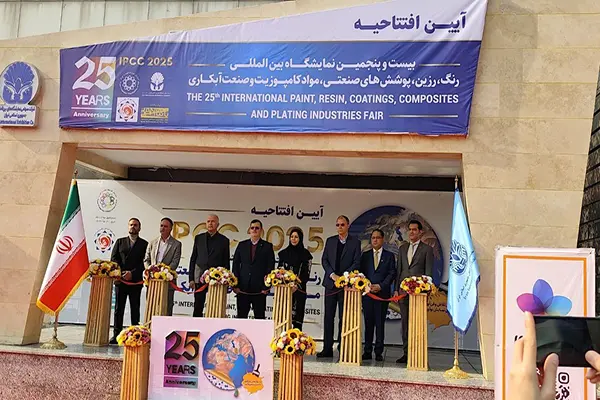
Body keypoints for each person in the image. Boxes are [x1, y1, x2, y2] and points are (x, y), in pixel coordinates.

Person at [317, 215, 361, 358]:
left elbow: (356, 262)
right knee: (328, 317)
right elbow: (324, 260)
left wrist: (344, 277)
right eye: (337, 225)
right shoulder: (330, 241)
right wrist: (332, 275)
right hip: (331, 284)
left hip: (345, 286)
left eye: (342, 224)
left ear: (348, 225)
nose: (340, 227)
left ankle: (343, 347)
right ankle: (327, 348)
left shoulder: (355, 242)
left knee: (344, 317)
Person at [393, 219, 434, 364]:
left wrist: (425, 290)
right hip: (403, 292)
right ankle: (406, 353)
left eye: (414, 229)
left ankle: (418, 353)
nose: (411, 232)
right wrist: (396, 289)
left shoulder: (427, 249)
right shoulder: (403, 248)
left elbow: (428, 273)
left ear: (420, 232)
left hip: (418, 294)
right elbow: (399, 270)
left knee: (417, 323)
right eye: (410, 229)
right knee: (405, 324)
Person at [109, 218, 148, 344]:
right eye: (131, 225)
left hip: (135, 281)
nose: (133, 227)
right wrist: (122, 273)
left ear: (139, 228)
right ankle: (116, 334)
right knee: (118, 309)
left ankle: (136, 335)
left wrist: (132, 274)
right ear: (128, 227)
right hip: (121, 281)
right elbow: (114, 259)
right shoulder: (120, 242)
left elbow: (145, 263)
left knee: (135, 308)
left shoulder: (144, 244)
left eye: (135, 225)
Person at [360, 229, 396, 361]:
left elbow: (392, 273)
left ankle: (379, 351)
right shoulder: (365, 255)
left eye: (378, 238)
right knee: (368, 323)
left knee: (380, 324)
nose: (375, 240)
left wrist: (381, 286)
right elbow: (361, 273)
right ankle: (367, 351)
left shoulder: (389, 256)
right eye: (373, 238)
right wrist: (368, 285)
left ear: (383, 239)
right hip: (368, 295)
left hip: (382, 294)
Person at [188, 214, 230, 317]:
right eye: (208, 221)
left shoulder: (224, 240)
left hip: (217, 279)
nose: (210, 223)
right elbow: (193, 259)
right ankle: (196, 325)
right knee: (198, 306)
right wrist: (191, 279)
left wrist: (226, 280)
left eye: (213, 221)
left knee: (215, 307)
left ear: (218, 224)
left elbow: (226, 261)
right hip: (200, 278)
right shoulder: (199, 238)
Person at [232, 219, 275, 319]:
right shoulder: (242, 245)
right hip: (243, 288)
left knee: (259, 317)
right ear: (249, 230)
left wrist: (266, 286)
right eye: (252, 228)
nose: (254, 230)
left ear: (261, 230)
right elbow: (236, 264)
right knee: (241, 318)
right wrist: (235, 285)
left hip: (259, 290)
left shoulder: (267, 246)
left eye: (257, 228)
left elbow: (270, 266)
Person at [143, 217, 182, 316]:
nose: (162, 228)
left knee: (167, 308)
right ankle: (150, 325)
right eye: (161, 226)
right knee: (151, 307)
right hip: (153, 281)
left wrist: (163, 272)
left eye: (165, 226)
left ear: (171, 228)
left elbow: (175, 262)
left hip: (167, 282)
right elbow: (146, 260)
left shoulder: (176, 244)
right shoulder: (152, 242)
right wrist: (150, 270)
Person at [278, 227, 313, 330]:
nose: (293, 239)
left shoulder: (306, 255)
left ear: (300, 238)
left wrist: (296, 285)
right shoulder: (283, 254)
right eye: (292, 237)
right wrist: (287, 284)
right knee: (284, 317)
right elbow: (279, 271)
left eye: (296, 237)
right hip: (285, 290)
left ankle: (296, 338)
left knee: (297, 318)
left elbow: (306, 273)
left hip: (299, 290)